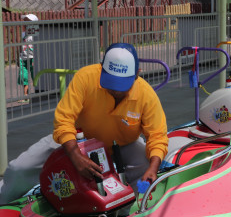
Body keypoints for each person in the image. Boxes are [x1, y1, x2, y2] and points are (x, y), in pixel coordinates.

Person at [0, 43, 168, 204]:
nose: (116, 90)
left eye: (122, 85)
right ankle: (4, 203)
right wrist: (75, 156)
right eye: (111, 84)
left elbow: (157, 136)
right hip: (79, 140)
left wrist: (153, 169)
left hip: (123, 144)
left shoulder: (147, 95)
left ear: (137, 74)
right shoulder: (85, 77)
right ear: (101, 69)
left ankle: (128, 209)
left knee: (145, 165)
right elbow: (64, 120)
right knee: (19, 169)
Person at [17, 14, 38, 103]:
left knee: (35, 76)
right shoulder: (23, 34)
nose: (25, 23)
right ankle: (25, 96)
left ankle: (38, 94)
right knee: (23, 76)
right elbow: (20, 46)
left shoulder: (36, 34)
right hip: (23, 57)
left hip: (32, 57)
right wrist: (19, 57)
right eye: (25, 21)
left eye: (27, 21)